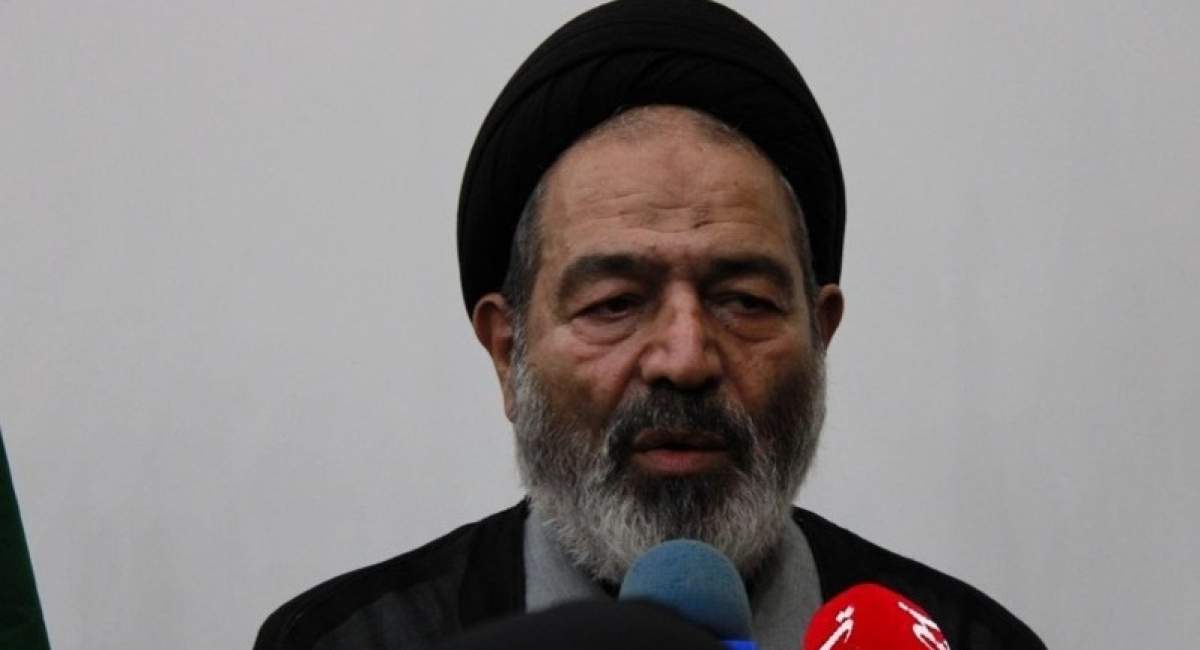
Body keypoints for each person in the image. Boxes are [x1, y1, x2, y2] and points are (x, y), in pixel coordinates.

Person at [255, 2, 1046, 649]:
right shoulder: (351, 641)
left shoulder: (971, 643)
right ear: (507, 351)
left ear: (820, 336)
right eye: (615, 304)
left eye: (744, 300)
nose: (685, 358)